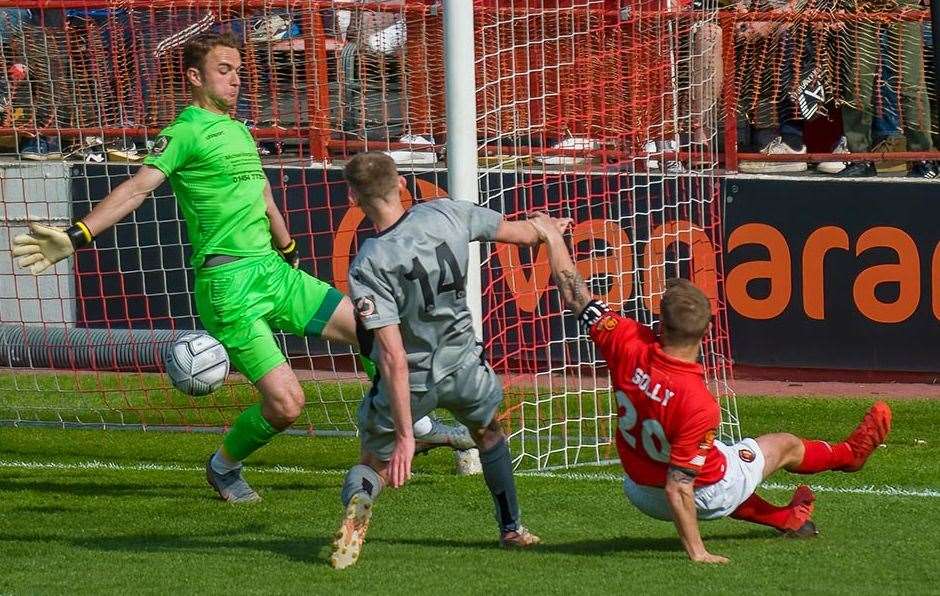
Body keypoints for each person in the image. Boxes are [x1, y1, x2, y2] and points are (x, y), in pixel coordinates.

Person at [9, 32, 474, 504]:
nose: (236, 81)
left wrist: (288, 244)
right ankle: (223, 466)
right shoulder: (186, 131)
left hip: (273, 272)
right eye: (224, 71)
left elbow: (263, 194)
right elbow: (137, 188)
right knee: (288, 405)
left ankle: (416, 424)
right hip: (228, 286)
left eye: (238, 71)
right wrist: (77, 235)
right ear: (194, 77)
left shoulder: (238, 129)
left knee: (373, 330)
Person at [526, 212, 893, 564]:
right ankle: (848, 455)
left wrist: (553, 237)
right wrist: (697, 552)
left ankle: (785, 519)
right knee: (782, 446)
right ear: (705, 332)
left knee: (713, 454)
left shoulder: (623, 339)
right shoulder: (698, 402)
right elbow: (679, 487)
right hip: (694, 494)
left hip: (638, 489)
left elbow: (575, 294)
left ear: (659, 323)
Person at [329, 152, 565, 569]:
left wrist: (406, 435)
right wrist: (548, 228)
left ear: (353, 197)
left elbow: (393, 357)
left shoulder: (370, 262)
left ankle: (361, 500)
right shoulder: (446, 213)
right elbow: (525, 235)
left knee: (371, 464)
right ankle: (511, 528)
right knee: (489, 434)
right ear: (401, 183)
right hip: (465, 366)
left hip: (415, 379)